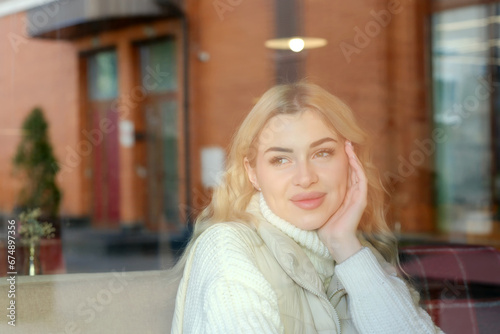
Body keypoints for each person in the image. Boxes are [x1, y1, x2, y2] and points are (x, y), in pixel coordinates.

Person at [170, 82, 443, 333]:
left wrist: (345, 246)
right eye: (280, 160)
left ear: (350, 161)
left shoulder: (356, 254)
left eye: (322, 153)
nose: (305, 177)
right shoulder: (226, 246)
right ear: (252, 173)